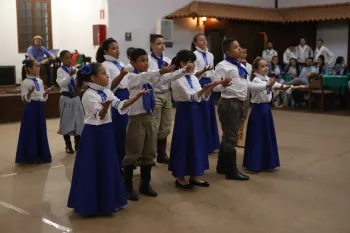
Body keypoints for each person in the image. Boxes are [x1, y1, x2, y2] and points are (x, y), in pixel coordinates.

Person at [67, 63, 149, 216]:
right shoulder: (89, 95)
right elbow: (100, 115)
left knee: (108, 165)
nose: (108, 77)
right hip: (93, 134)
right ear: (93, 78)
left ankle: (108, 201)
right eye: (104, 74)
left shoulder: (106, 91)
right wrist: (105, 107)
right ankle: (91, 204)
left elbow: (119, 104)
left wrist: (135, 97)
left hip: (106, 132)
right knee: (92, 168)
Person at [123, 48, 191, 201]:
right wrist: (160, 72)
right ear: (132, 62)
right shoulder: (131, 77)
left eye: (147, 60)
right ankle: (127, 186)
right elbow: (149, 77)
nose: (146, 63)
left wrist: (182, 71)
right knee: (133, 152)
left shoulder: (149, 76)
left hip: (150, 117)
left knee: (149, 152)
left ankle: (145, 184)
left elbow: (165, 79)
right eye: (142, 61)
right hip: (136, 119)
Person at [168, 50, 228, 189]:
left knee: (196, 142)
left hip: (196, 112)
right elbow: (191, 97)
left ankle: (195, 174)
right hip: (185, 112)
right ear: (182, 63)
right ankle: (181, 177)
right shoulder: (177, 78)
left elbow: (202, 97)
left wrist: (210, 88)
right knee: (184, 142)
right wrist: (204, 90)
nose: (194, 64)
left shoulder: (193, 77)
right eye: (191, 62)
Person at [213, 38, 269, 181]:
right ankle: (231, 170)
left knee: (228, 136)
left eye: (239, 46)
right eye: (236, 47)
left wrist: (265, 85)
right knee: (231, 138)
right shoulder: (223, 66)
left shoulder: (240, 66)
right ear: (227, 51)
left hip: (240, 103)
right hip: (229, 102)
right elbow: (215, 86)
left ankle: (221, 166)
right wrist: (223, 85)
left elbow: (247, 85)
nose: (239, 49)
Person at [243, 57, 308, 172]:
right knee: (257, 137)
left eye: (266, 66)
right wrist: (268, 85)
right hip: (258, 110)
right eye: (262, 66)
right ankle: (255, 163)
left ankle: (267, 162)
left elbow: (280, 86)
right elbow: (258, 87)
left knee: (266, 135)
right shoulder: (256, 80)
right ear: (256, 69)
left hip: (266, 110)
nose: (266, 68)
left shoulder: (267, 78)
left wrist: (298, 87)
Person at [96, 38, 129, 163]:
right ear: (106, 51)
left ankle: (126, 158)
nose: (117, 51)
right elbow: (109, 86)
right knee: (118, 130)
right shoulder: (105, 65)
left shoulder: (120, 63)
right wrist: (121, 75)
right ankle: (118, 159)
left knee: (126, 130)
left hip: (126, 94)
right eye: (113, 48)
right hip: (116, 96)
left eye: (118, 48)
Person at [16, 60, 53, 164]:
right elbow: (24, 98)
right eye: (36, 66)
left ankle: (42, 154)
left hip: (40, 107)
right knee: (31, 131)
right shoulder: (25, 82)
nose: (39, 68)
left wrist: (46, 92)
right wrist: (29, 93)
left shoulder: (40, 81)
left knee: (41, 129)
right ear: (29, 69)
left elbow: (41, 95)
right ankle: (31, 156)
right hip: (31, 108)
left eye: (39, 66)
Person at [192, 33, 220, 153]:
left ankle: (210, 143)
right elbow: (193, 74)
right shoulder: (194, 55)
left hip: (209, 83)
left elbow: (212, 71)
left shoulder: (210, 55)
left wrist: (215, 82)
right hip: (199, 83)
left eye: (204, 39)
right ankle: (201, 143)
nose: (204, 41)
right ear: (195, 43)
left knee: (209, 112)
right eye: (200, 40)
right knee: (201, 112)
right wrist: (203, 71)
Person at [148, 34, 173, 164]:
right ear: (152, 45)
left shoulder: (168, 60)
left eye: (163, 43)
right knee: (154, 126)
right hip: (155, 94)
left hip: (167, 94)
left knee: (166, 125)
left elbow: (171, 77)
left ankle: (162, 154)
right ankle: (150, 156)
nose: (162, 46)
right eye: (158, 43)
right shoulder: (148, 61)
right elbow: (151, 80)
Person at [56, 50, 84, 153]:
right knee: (66, 121)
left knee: (78, 121)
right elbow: (62, 84)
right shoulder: (60, 70)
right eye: (66, 58)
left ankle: (78, 143)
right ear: (61, 59)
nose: (68, 60)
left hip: (76, 98)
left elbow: (78, 82)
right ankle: (68, 145)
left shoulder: (75, 69)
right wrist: (69, 75)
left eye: (70, 58)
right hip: (66, 98)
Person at [236, 47, 252, 148]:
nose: (243, 54)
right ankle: (233, 136)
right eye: (241, 52)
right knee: (235, 114)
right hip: (237, 92)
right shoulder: (234, 64)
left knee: (244, 114)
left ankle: (240, 136)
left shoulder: (249, 66)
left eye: (245, 52)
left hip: (246, 92)